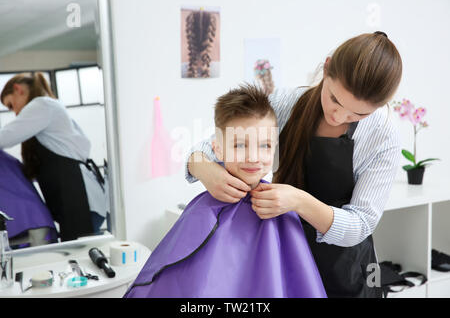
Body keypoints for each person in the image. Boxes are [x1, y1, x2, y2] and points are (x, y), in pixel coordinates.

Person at [184, 32, 403, 298]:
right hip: (285, 258)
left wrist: (299, 201)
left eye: (358, 113)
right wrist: (205, 169)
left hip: (350, 273)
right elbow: (208, 148)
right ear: (326, 67)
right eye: (334, 99)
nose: (339, 115)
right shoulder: (286, 104)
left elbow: (361, 225)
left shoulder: (383, 136)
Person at [124, 84, 327, 298]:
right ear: (217, 148)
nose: (254, 157)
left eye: (265, 145)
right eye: (240, 145)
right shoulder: (204, 210)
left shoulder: (283, 205)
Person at [0, 72, 110, 241]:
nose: (14, 112)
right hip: (75, 195)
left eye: (11, 104)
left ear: (18, 89)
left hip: (78, 195)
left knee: (80, 254)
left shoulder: (42, 105)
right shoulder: (47, 109)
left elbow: (5, 137)